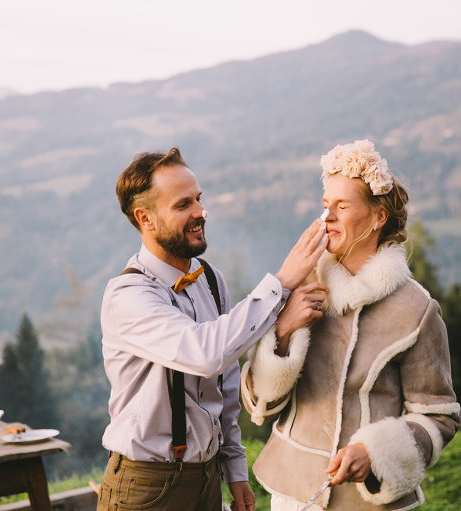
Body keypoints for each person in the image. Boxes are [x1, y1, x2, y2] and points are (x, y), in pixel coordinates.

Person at [97, 147, 328, 511]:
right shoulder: (127, 295)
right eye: (183, 204)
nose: (201, 213)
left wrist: (234, 469)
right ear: (146, 218)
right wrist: (281, 283)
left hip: (205, 480)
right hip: (145, 485)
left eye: (199, 199)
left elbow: (225, 384)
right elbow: (205, 354)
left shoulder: (211, 280)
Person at [240, 140, 461, 510]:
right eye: (326, 206)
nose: (327, 217)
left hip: (370, 502)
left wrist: (373, 452)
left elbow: (439, 417)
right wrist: (281, 332)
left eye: (342, 206)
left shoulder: (418, 309)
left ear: (378, 217)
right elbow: (260, 405)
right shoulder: (301, 287)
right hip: (294, 496)